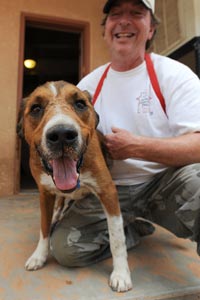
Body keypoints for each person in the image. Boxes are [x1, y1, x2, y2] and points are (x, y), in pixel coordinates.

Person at [50, 0, 200, 267]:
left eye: (136, 14)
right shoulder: (87, 87)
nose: (123, 21)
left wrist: (137, 147)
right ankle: (131, 230)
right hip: (108, 188)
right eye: (115, 14)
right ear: (105, 29)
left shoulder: (176, 75)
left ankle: (141, 218)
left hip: (163, 183)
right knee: (66, 250)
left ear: (151, 28)